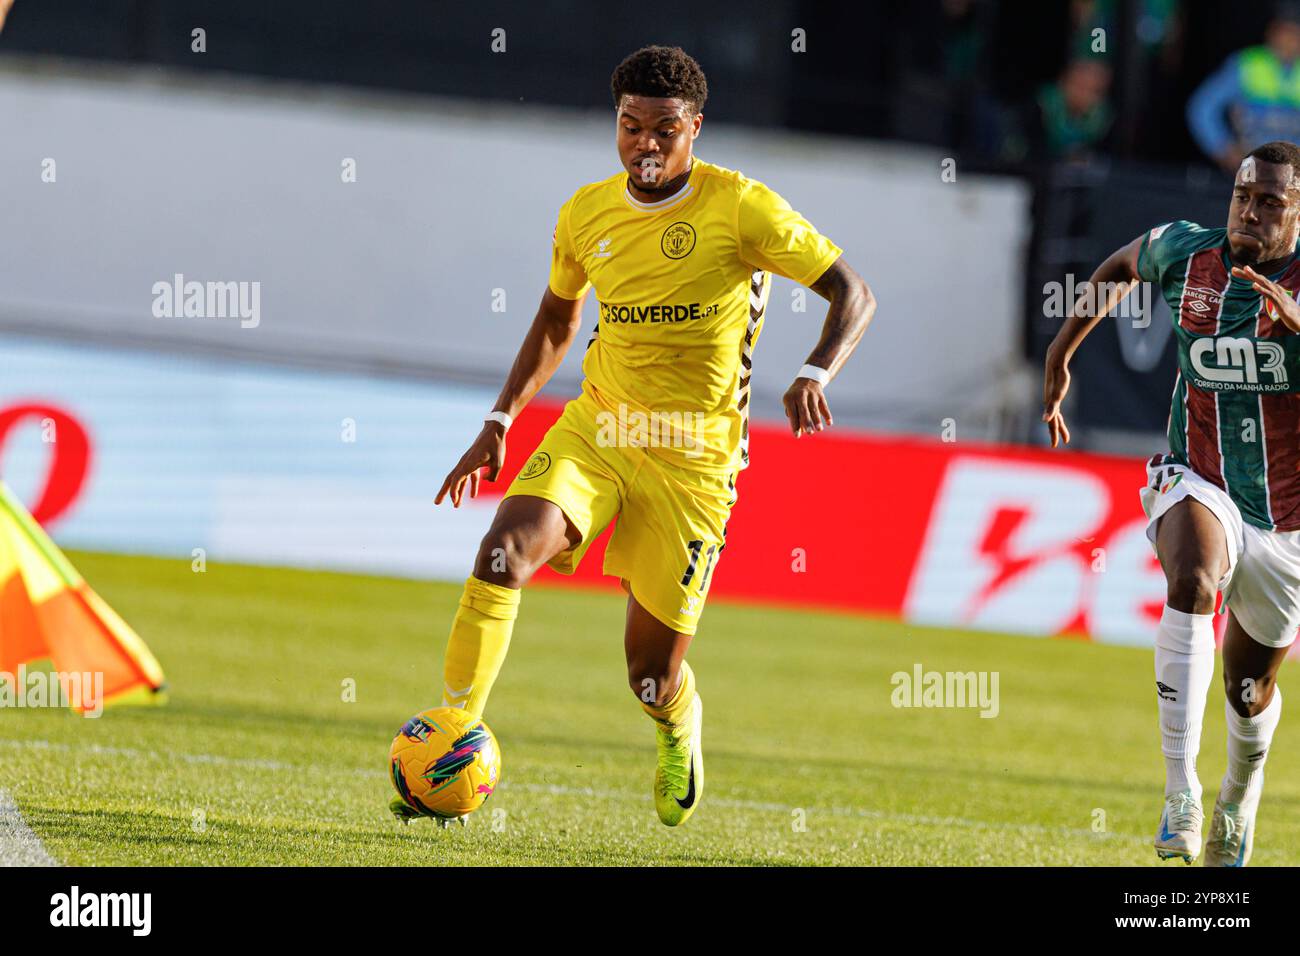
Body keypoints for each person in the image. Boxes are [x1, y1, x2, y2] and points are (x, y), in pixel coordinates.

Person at [408, 45, 875, 828]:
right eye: (630, 128)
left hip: (695, 462)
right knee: (502, 552)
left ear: (696, 126)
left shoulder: (743, 209)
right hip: (600, 428)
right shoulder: (586, 213)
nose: (645, 146)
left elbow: (852, 293)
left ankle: (677, 724)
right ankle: (454, 730)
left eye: (663, 130)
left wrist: (817, 372)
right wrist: (499, 421)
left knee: (649, 675)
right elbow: (558, 318)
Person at [1042, 140, 1300, 866]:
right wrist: (1063, 351)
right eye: (1243, 196)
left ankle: (1238, 795)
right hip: (1197, 473)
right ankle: (1179, 791)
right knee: (1191, 578)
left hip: (1286, 519)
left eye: (1272, 202)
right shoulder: (1187, 255)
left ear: (1297, 210)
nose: (1251, 211)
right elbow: (1120, 264)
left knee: (1248, 690)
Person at [1188, 4, 1300, 175]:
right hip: (1254, 169)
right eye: (1287, 32)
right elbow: (1203, 107)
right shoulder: (1247, 65)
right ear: (1272, 32)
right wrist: (1224, 148)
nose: (1292, 40)